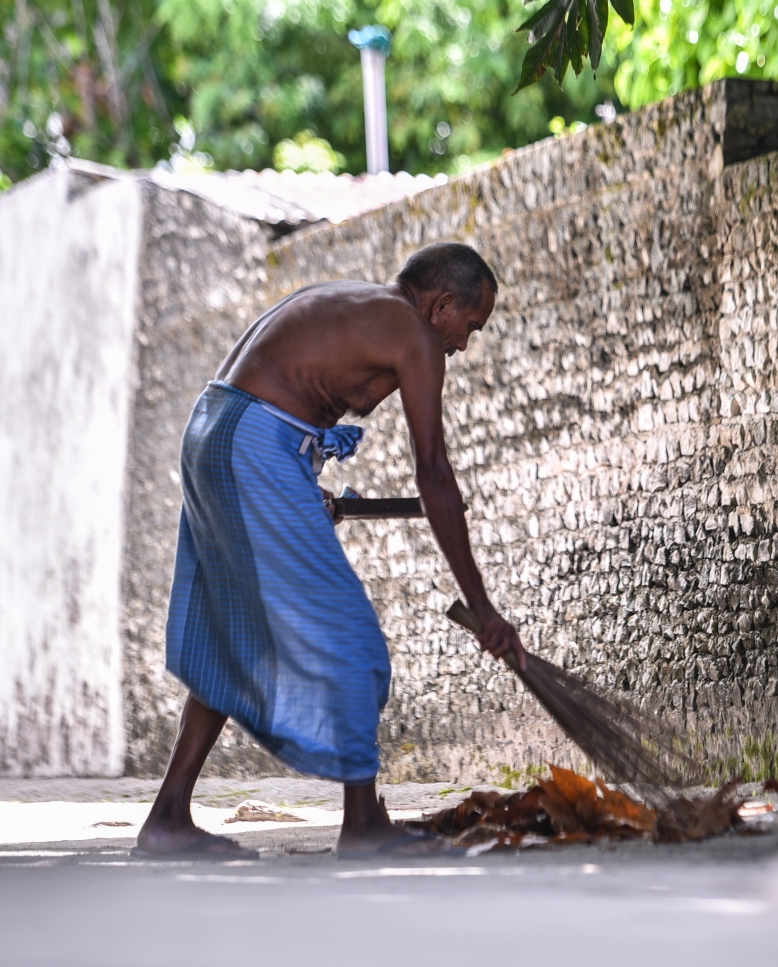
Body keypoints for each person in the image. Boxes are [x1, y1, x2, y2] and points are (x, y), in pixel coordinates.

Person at [135, 242, 526, 859]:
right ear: (442, 303)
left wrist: (293, 477)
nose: (463, 344)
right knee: (352, 637)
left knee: (224, 630)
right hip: (250, 442)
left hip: (217, 429)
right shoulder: (414, 336)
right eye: (469, 327)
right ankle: (364, 823)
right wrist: (483, 608)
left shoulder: (356, 303)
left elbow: (279, 397)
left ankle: (168, 817)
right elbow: (436, 476)